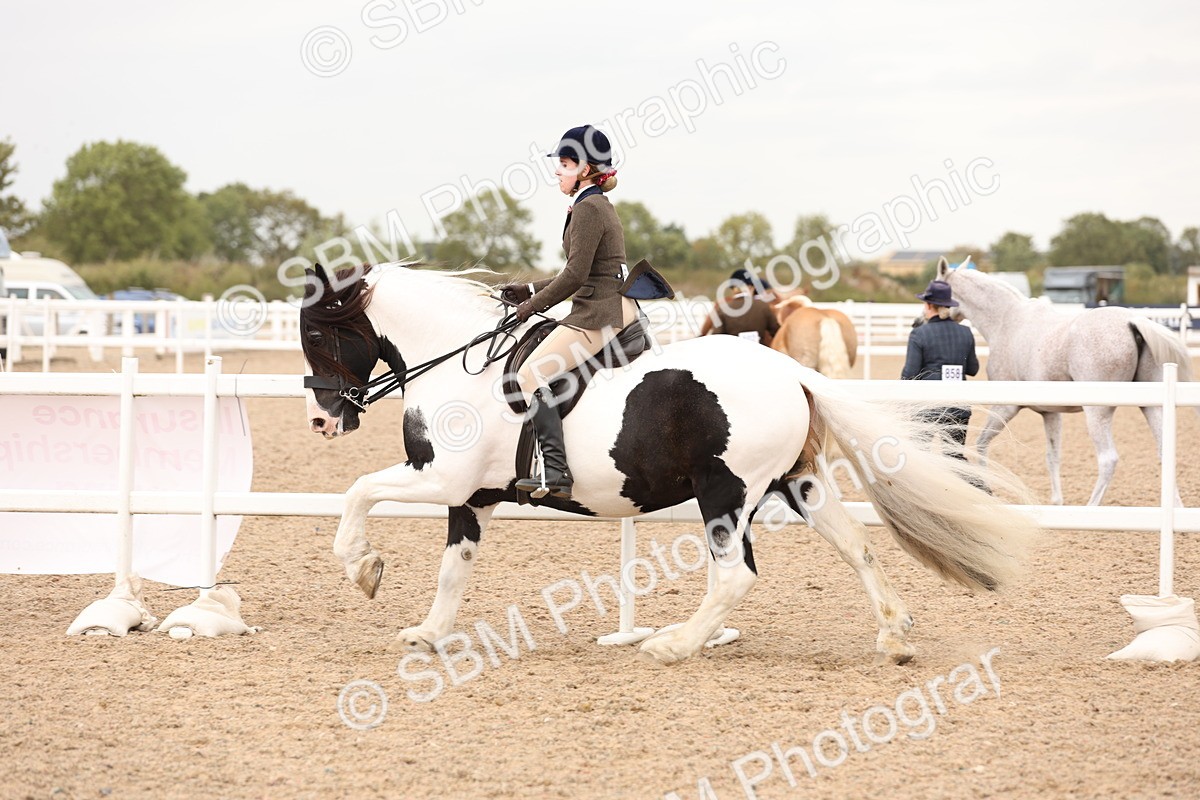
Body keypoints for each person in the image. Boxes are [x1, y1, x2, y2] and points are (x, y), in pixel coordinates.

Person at [497, 124, 640, 500]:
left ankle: (556, 472)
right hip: (606, 304)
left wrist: (531, 307)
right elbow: (578, 271)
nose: (557, 171)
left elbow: (575, 276)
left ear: (586, 169)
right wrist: (528, 289)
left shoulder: (589, 208)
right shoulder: (590, 204)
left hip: (600, 313)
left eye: (564, 164)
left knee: (529, 374)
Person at [902, 279, 979, 460]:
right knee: (955, 457)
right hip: (958, 406)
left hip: (927, 406)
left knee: (919, 456)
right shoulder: (965, 333)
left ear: (929, 305)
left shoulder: (919, 334)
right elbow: (973, 369)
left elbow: (909, 375)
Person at [700, 268, 780, 346]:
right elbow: (777, 332)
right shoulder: (763, 306)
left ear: (733, 289)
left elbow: (717, 337)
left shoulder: (722, 309)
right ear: (751, 287)